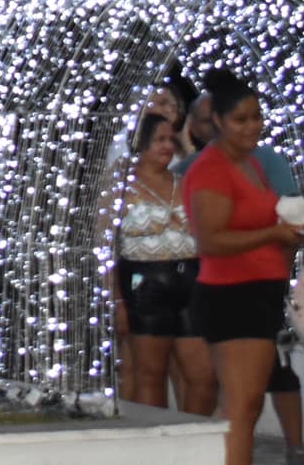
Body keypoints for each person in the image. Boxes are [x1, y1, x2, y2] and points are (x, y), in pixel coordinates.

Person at [183, 71, 304, 465]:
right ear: (217, 122)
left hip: (260, 289)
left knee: (244, 407)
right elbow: (211, 240)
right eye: (241, 120)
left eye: (256, 117)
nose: (252, 126)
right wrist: (273, 233)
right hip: (233, 292)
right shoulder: (211, 169)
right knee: (242, 406)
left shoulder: (251, 163)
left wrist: (284, 236)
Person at [117, 112, 215, 413]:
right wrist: (115, 300)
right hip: (143, 282)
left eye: (170, 139)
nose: (167, 146)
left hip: (190, 279)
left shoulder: (185, 182)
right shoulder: (120, 186)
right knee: (151, 374)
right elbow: (103, 247)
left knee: (203, 375)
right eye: (159, 140)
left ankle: (193, 443)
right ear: (140, 143)